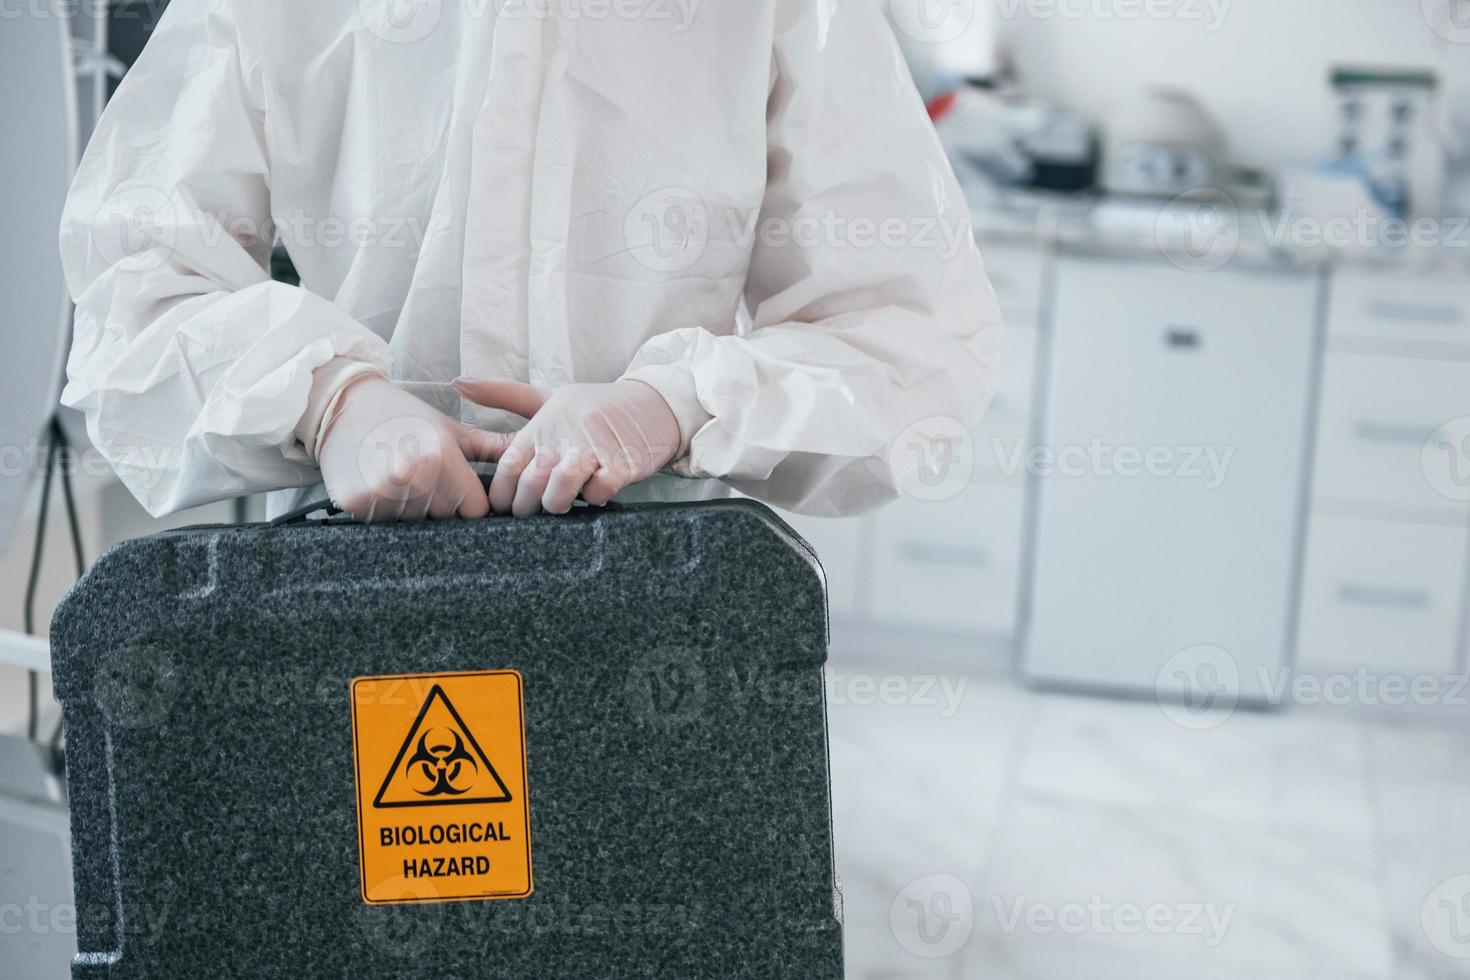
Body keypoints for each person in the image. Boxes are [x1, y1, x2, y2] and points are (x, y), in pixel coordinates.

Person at [60, 0, 1001, 522]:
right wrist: (329, 402)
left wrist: (677, 404)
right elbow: (133, 279)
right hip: (347, 600)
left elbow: (910, 335)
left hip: (658, 612)